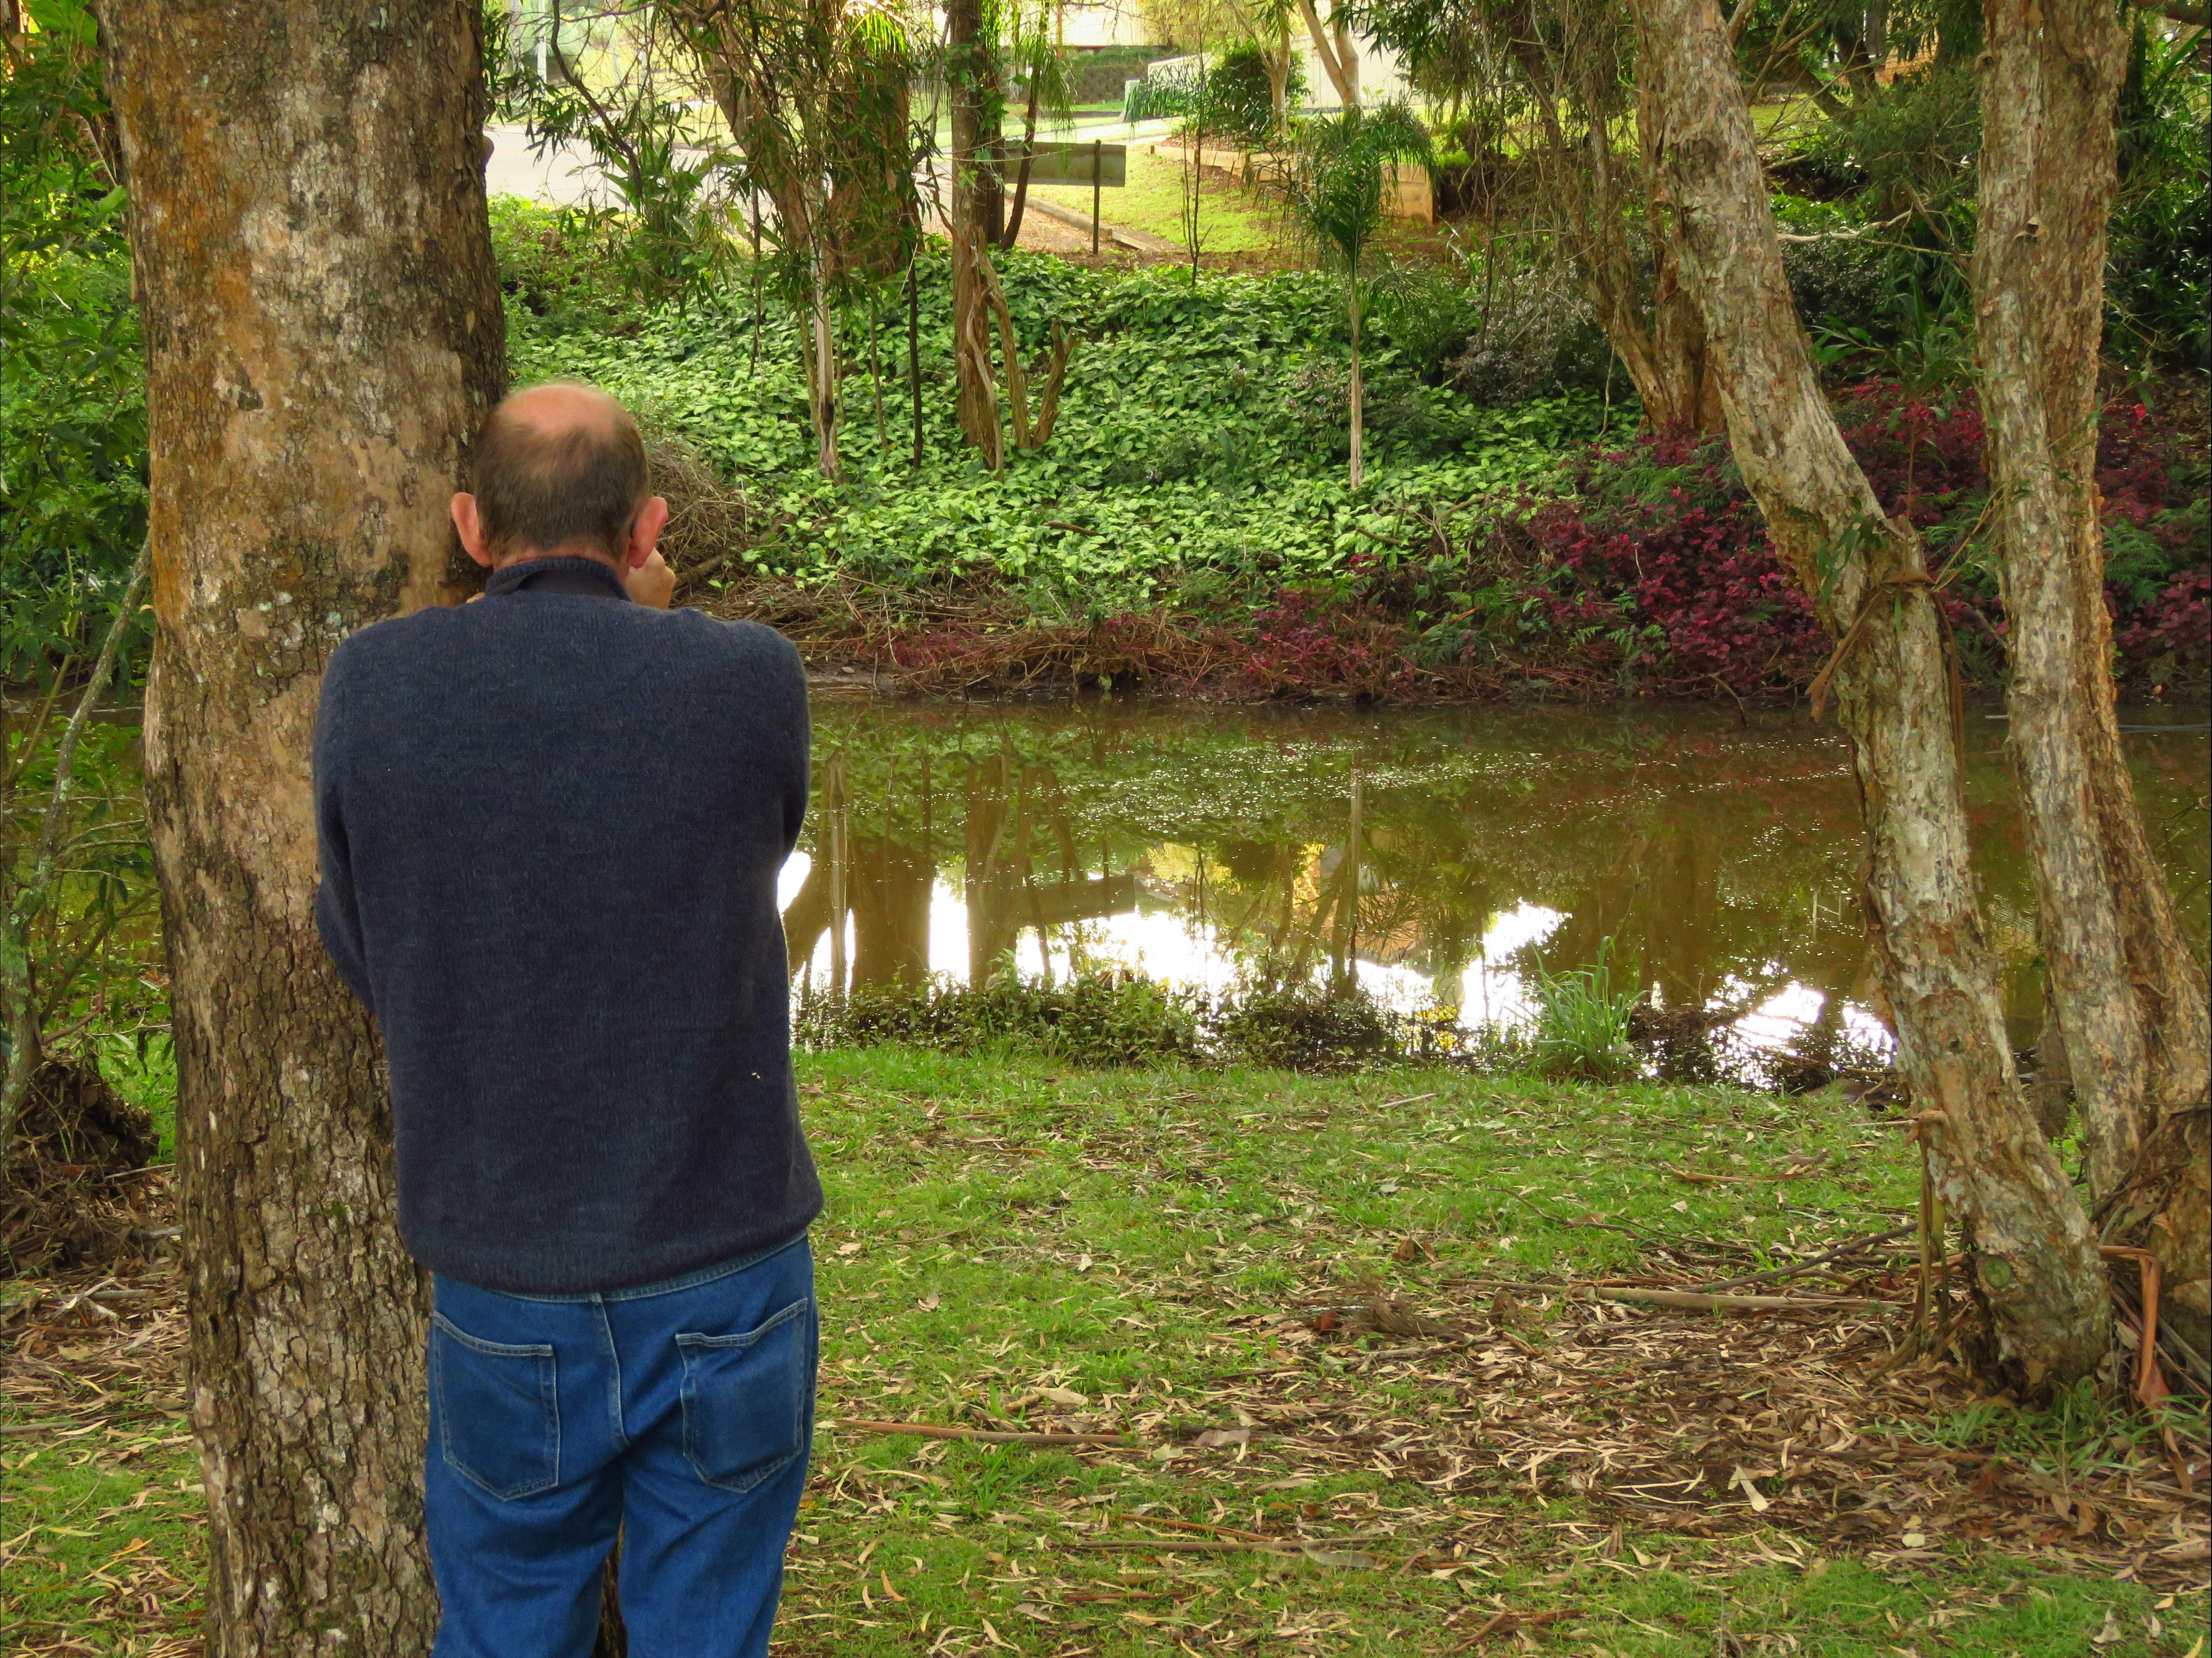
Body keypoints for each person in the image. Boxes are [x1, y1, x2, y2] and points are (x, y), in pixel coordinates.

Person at [311, 382, 819, 1657]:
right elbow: (749, 853)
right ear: (646, 529)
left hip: (505, 1274)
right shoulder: (750, 677)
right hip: (724, 1264)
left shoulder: (373, 683)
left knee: (503, 1624)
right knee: (708, 1627)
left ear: (471, 526)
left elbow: (366, 940)